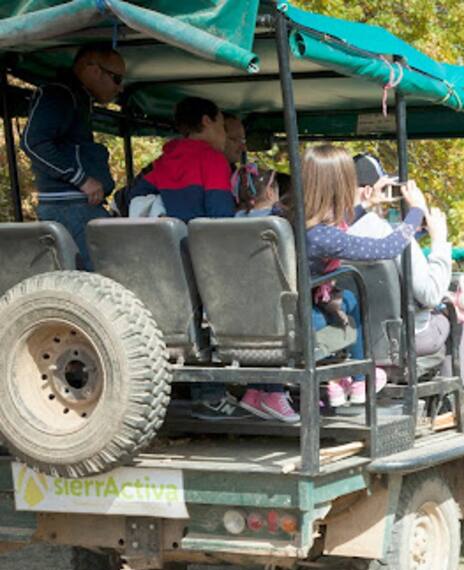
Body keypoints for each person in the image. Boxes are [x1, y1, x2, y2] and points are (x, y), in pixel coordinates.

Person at [131, 97, 296, 423]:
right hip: (206, 261)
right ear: (206, 122)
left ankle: (207, 396)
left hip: (166, 262)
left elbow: (133, 197)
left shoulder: (163, 161)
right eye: (222, 125)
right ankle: (247, 392)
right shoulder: (211, 160)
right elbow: (220, 219)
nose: (225, 134)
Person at [301, 144, 423, 407]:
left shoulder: (288, 219)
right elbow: (386, 248)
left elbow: (336, 228)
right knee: (352, 297)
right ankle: (359, 377)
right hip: (305, 319)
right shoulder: (325, 237)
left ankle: (352, 377)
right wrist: (416, 213)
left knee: (345, 297)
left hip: (279, 313)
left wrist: (365, 205)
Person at [348, 153, 464, 386]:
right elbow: (429, 294)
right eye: (384, 187)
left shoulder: (331, 232)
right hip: (403, 339)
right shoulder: (395, 236)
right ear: (368, 192)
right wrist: (439, 241)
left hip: (352, 338)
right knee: (452, 313)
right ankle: (457, 397)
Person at [19, 44, 125, 270]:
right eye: (117, 79)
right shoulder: (60, 93)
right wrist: (81, 179)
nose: (120, 88)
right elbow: (32, 142)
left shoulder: (78, 98)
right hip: (69, 206)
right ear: (94, 70)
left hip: (78, 206)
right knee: (105, 277)